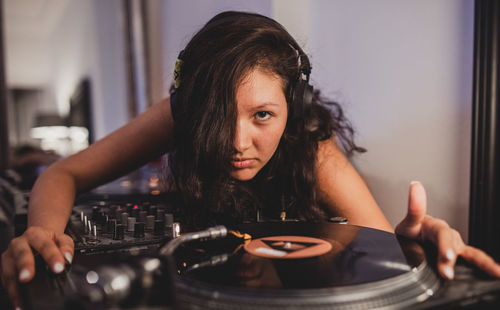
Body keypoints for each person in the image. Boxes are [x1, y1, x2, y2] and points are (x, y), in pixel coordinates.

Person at [2, 11, 499, 309]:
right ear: (187, 107)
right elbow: (64, 172)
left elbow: (382, 261)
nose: (236, 141)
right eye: (216, 115)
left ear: (295, 108)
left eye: (263, 114)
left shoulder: (312, 147)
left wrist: (414, 254)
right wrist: (41, 230)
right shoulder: (179, 113)